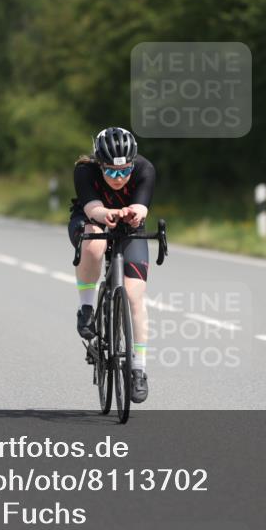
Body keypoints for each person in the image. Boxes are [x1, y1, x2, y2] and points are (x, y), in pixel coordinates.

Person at [68, 127, 155, 403]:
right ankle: (86, 308)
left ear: (133, 163)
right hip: (91, 221)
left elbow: (142, 208)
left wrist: (132, 212)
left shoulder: (145, 169)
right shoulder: (84, 171)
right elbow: (94, 209)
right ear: (99, 164)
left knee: (134, 295)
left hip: (130, 225)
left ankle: (139, 369)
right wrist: (109, 213)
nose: (118, 179)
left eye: (124, 171)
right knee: (95, 241)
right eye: (111, 172)